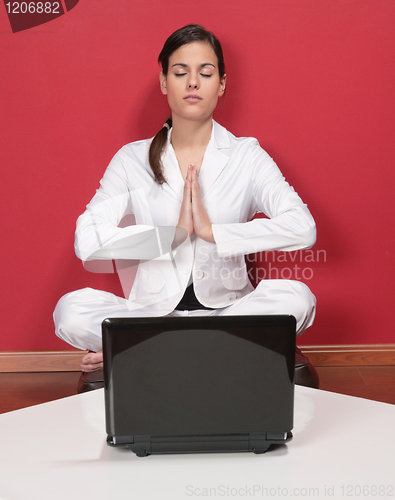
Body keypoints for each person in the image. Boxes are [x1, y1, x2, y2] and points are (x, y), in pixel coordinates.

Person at [53, 24, 316, 373]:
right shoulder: (132, 159)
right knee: (70, 310)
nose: (193, 82)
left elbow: (303, 228)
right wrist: (172, 236)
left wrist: (213, 233)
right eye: (180, 72)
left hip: (228, 311)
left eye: (205, 73)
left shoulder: (247, 156)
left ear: (221, 83)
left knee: (298, 298)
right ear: (165, 82)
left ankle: (146, 349)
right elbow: (87, 240)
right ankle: (207, 348)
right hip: (151, 314)